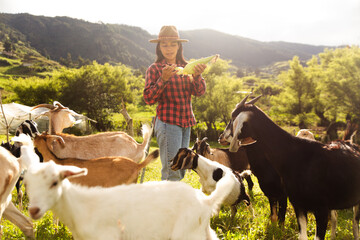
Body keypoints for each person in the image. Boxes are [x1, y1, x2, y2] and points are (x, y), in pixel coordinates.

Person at [143, 26, 207, 181]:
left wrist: (197, 76)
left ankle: (174, 202)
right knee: (172, 171)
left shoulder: (188, 68)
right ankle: (168, 204)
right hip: (167, 123)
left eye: (173, 44)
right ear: (159, 47)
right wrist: (163, 79)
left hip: (186, 123)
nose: (169, 48)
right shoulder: (155, 68)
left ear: (179, 46)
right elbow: (149, 98)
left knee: (182, 168)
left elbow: (199, 92)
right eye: (164, 45)